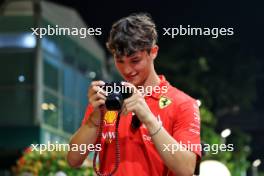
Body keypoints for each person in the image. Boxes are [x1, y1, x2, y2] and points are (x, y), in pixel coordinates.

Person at [67, 13, 201, 176]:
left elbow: (187, 169)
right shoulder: (108, 100)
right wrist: (94, 120)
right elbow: (73, 160)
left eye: (135, 60)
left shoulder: (183, 104)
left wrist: (149, 119)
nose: (127, 70)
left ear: (153, 52)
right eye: (120, 60)